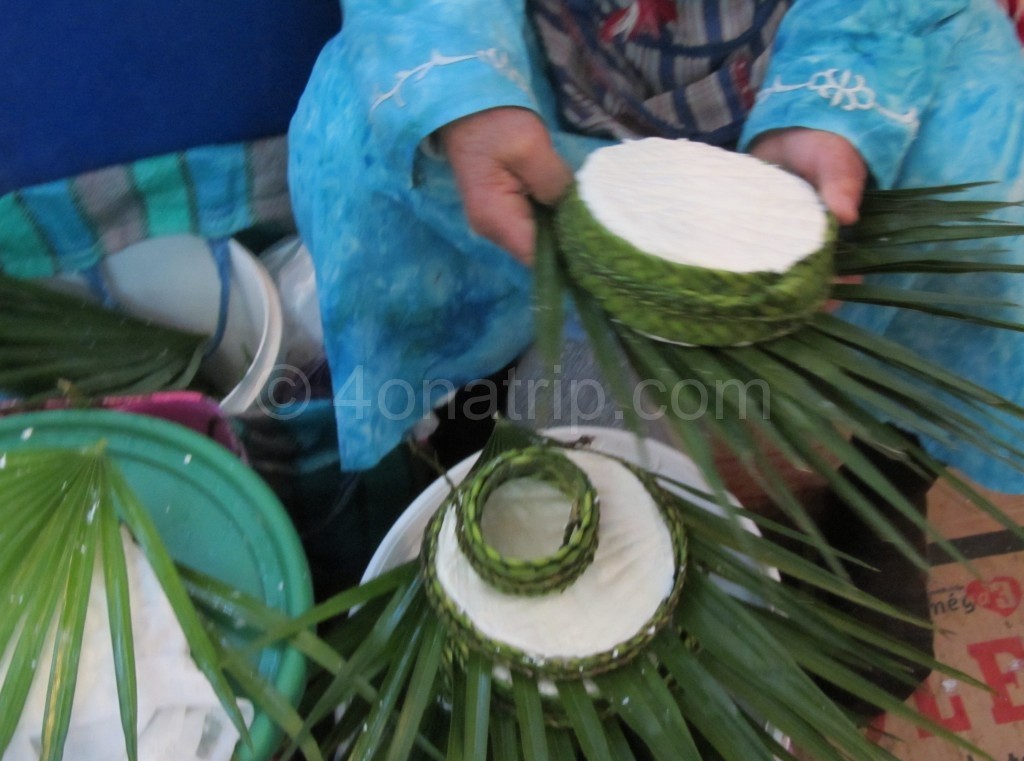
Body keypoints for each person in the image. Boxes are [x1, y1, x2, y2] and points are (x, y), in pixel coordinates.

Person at [289, 0, 1024, 494]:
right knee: (353, 150)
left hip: (848, 41)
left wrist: (836, 96)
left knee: (988, 212)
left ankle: (887, 463)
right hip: (544, 61)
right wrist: (465, 89)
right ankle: (457, 417)